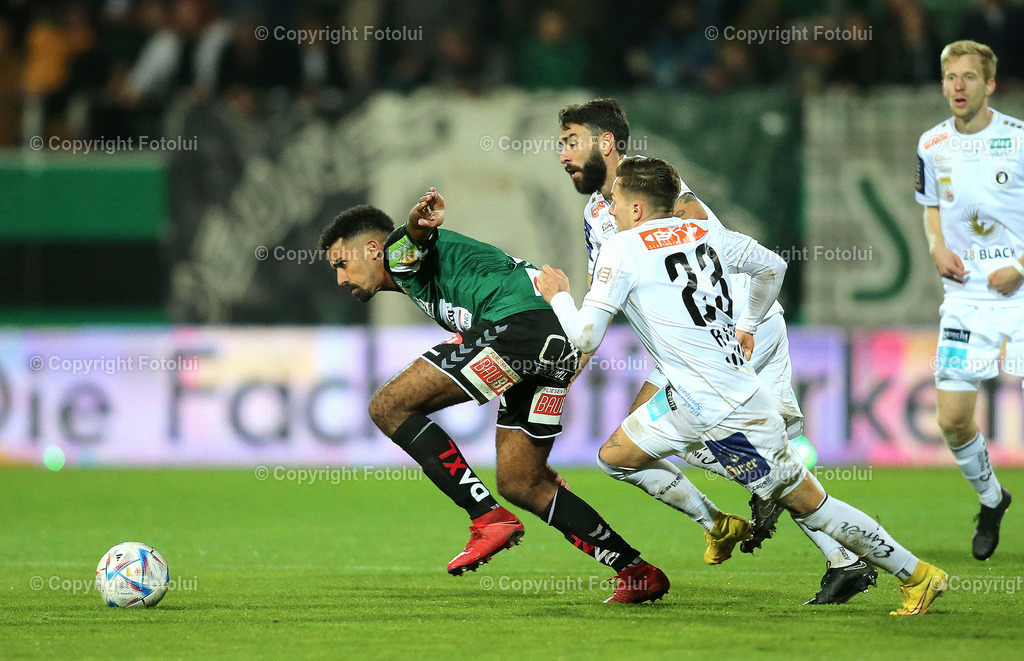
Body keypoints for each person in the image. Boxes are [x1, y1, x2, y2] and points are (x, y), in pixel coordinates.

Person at [537, 156, 948, 616]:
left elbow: (586, 336)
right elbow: (772, 266)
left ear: (636, 208)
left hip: (729, 410)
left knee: (812, 506)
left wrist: (558, 296)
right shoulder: (704, 231)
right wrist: (747, 323)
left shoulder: (622, 248)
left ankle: (916, 574)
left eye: (614, 201)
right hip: (687, 398)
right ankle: (717, 523)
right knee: (617, 457)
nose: (608, 210)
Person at [557, 98, 876, 604]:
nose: (563, 155)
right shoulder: (598, 212)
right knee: (648, 444)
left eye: (571, 142)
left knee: (658, 443)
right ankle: (836, 553)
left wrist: (742, 324)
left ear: (606, 143)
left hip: (729, 333)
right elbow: (606, 299)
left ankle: (758, 497)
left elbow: (709, 245)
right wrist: (574, 361)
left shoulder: (656, 187)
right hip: (690, 347)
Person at [319, 189, 669, 603]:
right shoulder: (419, 275)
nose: (340, 279)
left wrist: (417, 221)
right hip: (556, 340)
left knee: (388, 405)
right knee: (522, 482)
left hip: (515, 325)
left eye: (341, 264)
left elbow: (411, 238)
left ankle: (487, 518)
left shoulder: (397, 254)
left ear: (372, 249)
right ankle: (636, 571)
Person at [917, 39, 1019, 560]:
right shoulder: (931, 144)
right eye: (951, 77)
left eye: (970, 77)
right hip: (965, 300)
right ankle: (992, 498)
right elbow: (931, 207)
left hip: (1021, 295)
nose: (959, 86)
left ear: (990, 84)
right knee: (953, 420)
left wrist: (1020, 266)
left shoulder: (1018, 140)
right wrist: (936, 247)